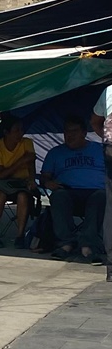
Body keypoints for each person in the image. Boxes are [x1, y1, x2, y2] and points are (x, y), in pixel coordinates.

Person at [41, 115, 106, 264]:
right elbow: (44, 177)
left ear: (84, 133)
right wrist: (47, 183)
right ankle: (66, 244)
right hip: (67, 191)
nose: (69, 135)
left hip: (96, 192)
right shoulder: (55, 152)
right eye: (66, 131)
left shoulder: (99, 150)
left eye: (74, 131)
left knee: (101, 197)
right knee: (58, 197)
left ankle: (88, 246)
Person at [0, 113, 36, 248]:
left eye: (21, 130)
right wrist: (21, 161)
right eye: (16, 130)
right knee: (0, 196)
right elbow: (1, 175)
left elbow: (31, 162)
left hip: (20, 183)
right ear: (6, 133)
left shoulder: (27, 143)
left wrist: (31, 179)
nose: (20, 133)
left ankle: (20, 235)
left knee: (23, 196)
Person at [90, 91, 112, 283]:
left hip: (110, 149)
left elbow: (95, 121)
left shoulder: (108, 91)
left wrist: (105, 139)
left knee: (111, 209)